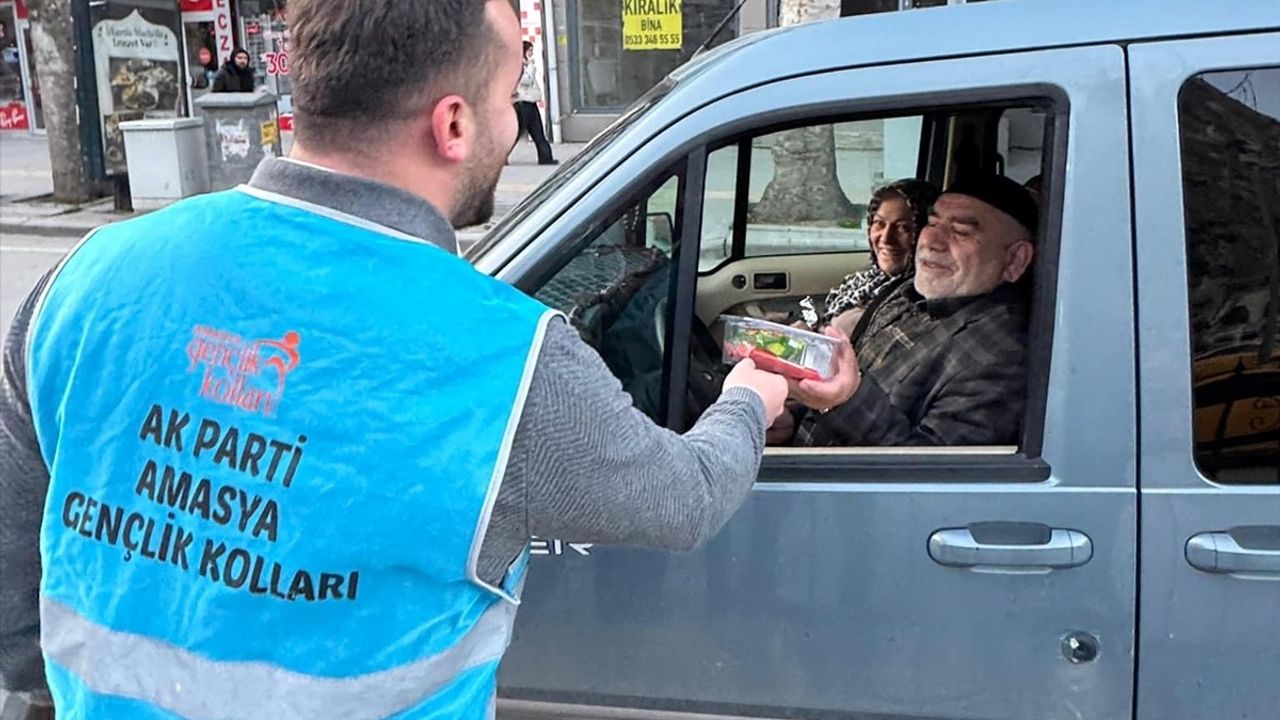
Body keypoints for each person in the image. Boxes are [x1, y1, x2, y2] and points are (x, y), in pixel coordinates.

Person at [0, 2, 789, 719]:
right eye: (509, 92)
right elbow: (683, 498)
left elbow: (11, 545)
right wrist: (751, 395)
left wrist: (45, 690)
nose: (516, 122)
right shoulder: (510, 362)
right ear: (453, 125)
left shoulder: (89, 275)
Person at [776, 174, 1038, 448]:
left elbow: (930, 475)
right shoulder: (905, 293)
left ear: (1014, 259)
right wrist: (793, 420)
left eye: (960, 231)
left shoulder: (1000, 355)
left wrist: (842, 401)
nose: (931, 241)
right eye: (932, 223)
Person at [806, 179, 940, 335]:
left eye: (903, 227)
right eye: (879, 223)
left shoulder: (915, 301)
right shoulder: (869, 279)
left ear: (925, 233)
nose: (886, 239)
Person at [512, 40, 557, 165]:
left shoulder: (525, 64)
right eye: (529, 50)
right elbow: (525, 81)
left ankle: (546, 158)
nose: (531, 53)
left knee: (538, 132)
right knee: (516, 132)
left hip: (530, 102)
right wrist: (531, 67)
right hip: (523, 103)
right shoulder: (518, 65)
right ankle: (500, 156)